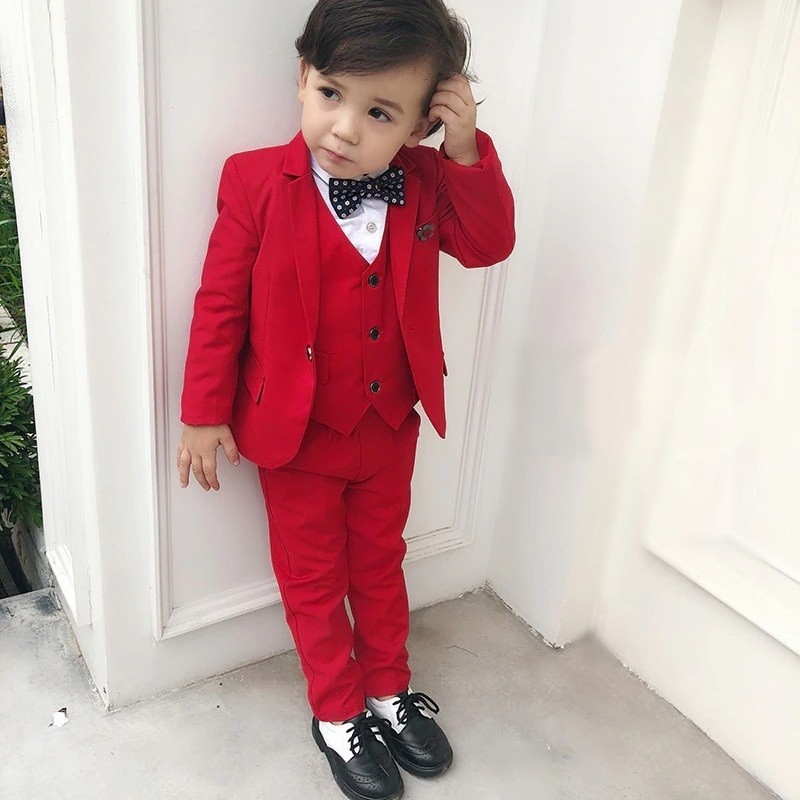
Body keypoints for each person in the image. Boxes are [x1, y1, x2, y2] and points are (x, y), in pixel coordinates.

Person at [177, 0, 515, 797]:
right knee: (313, 579)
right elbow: (220, 301)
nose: (345, 128)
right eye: (331, 93)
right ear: (303, 77)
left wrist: (465, 148)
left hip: (388, 423)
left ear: (419, 126)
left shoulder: (427, 179)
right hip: (294, 435)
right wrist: (203, 411)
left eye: (380, 114)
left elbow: (488, 244)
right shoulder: (253, 180)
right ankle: (336, 712)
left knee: (380, 562)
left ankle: (389, 689)